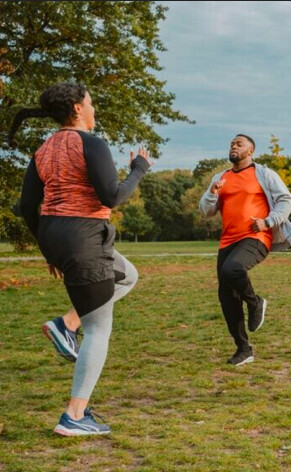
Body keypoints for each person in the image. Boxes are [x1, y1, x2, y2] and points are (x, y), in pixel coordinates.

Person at [15, 82, 152, 435]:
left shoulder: (43, 149)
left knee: (128, 275)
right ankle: (74, 416)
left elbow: (27, 207)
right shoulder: (91, 143)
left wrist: (50, 249)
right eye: (90, 102)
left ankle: (67, 323)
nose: (93, 108)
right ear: (77, 108)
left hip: (56, 235)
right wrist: (139, 168)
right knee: (98, 329)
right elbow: (112, 196)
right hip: (84, 236)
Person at [199, 134, 291, 366]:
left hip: (256, 237)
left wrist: (268, 221)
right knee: (227, 297)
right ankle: (244, 349)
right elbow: (206, 211)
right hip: (227, 241)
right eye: (232, 143)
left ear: (250, 151)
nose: (234, 146)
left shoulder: (264, 173)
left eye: (239, 144)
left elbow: (287, 200)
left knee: (233, 269)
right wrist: (212, 193)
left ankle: (255, 302)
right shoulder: (220, 177)